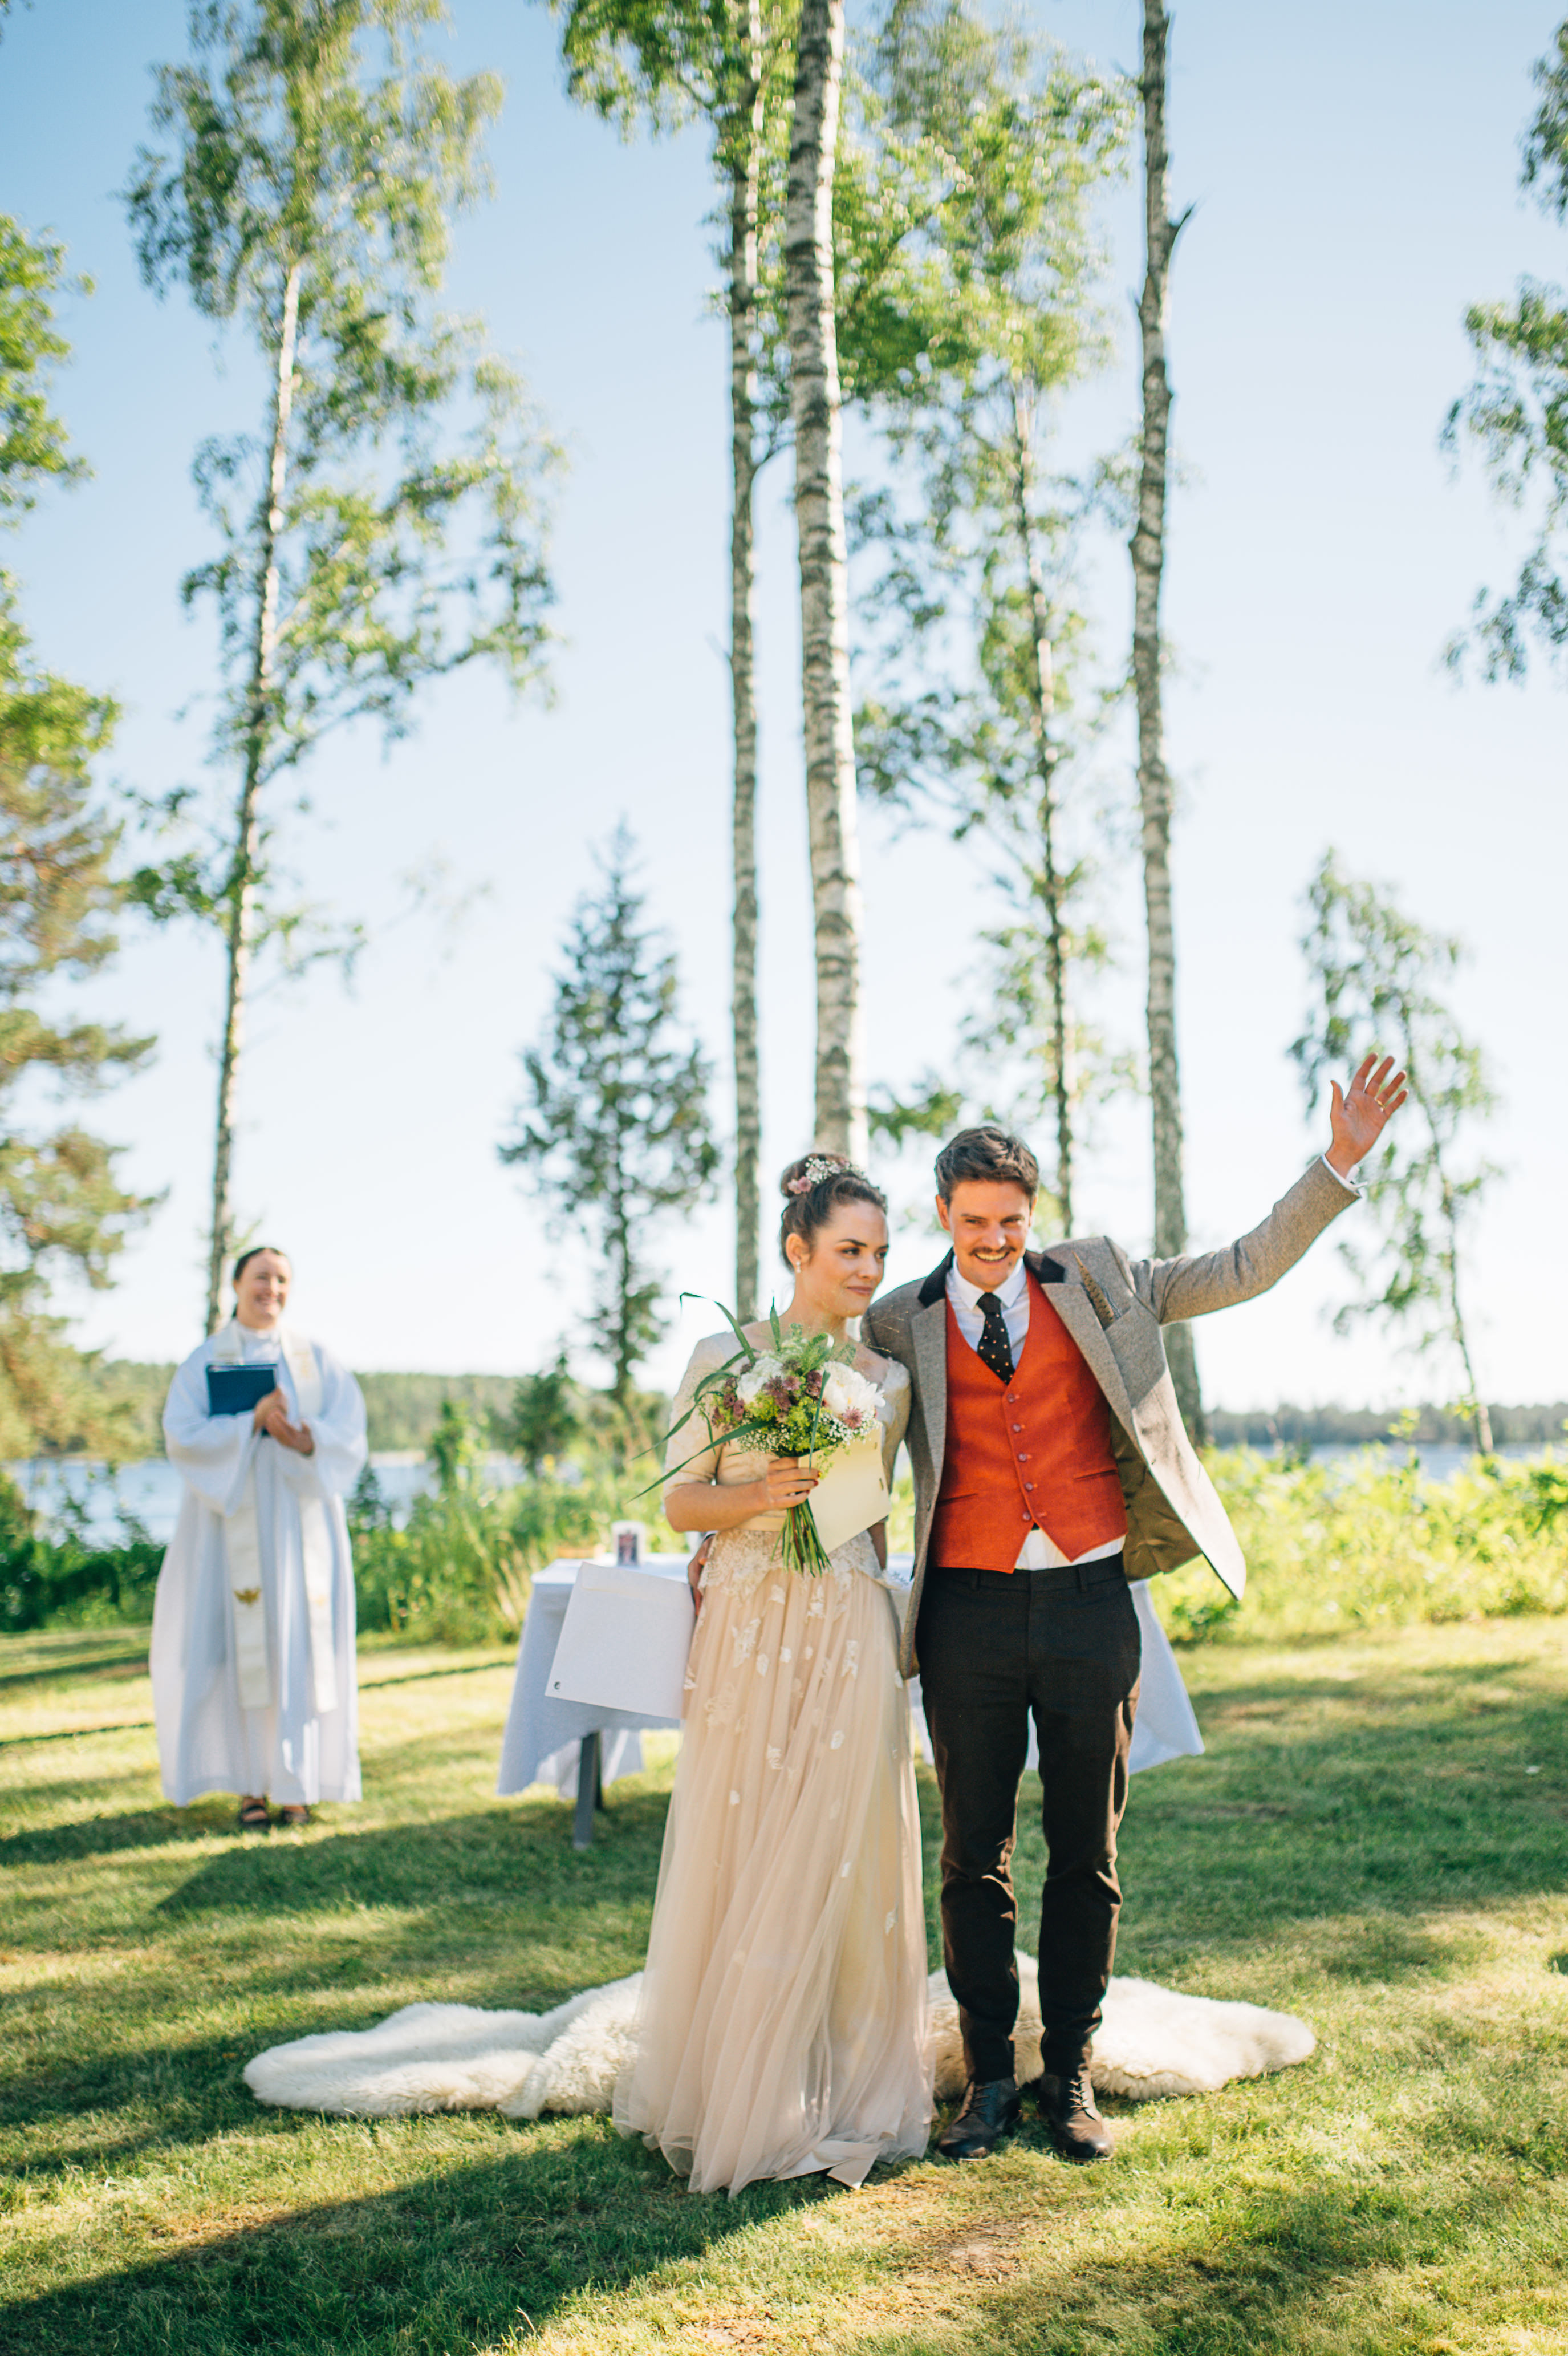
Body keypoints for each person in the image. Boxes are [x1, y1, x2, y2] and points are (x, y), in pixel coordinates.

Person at [862, 1053, 1407, 2166]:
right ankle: (986, 2083)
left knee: (1086, 1848)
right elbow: (834, 1433)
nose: (994, 1241)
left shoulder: (1100, 1274)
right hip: (961, 1605)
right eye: (973, 1223)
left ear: (1032, 1215)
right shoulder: (894, 1320)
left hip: (1088, 1598)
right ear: (941, 1214)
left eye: (1011, 1222)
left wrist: (1338, 1161)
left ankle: (1068, 2075)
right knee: (973, 1855)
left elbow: (1243, 1266)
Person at [613, 1157, 931, 2196]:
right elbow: (680, 1506)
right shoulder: (720, 1357)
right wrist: (762, 1495)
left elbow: (873, 1522)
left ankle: (831, 2077)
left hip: (843, 1614)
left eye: (880, 1253)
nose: (868, 1269)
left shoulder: (885, 1379)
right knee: (750, 1836)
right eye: (850, 1250)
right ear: (798, 1250)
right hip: (751, 1618)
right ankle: (740, 2087)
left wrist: (844, 1530)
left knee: (835, 1842)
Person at [151, 1246, 368, 1831]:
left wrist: (305, 1438)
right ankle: (250, 1786)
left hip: (300, 1529)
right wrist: (248, 1421)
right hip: (229, 1531)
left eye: (281, 1279)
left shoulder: (316, 1359)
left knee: (297, 1648)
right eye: (260, 1277)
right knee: (240, 1651)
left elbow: (350, 1434)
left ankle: (297, 1787)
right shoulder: (206, 1360)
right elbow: (183, 1435)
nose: (271, 1288)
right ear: (237, 1284)